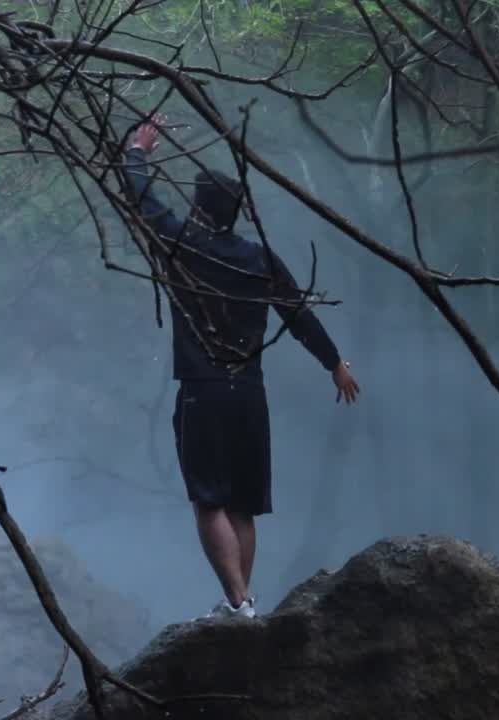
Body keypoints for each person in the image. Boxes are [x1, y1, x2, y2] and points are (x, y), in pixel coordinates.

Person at [121, 117, 360, 620]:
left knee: (209, 501)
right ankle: (244, 604)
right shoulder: (259, 259)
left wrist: (137, 151)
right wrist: (334, 362)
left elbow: (143, 202)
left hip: (203, 390)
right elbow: (298, 315)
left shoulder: (184, 246)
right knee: (242, 505)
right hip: (250, 393)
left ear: (199, 210)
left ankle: (239, 600)